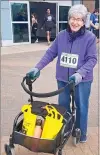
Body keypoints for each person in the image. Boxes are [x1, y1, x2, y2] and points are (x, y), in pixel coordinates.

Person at [26, 4, 97, 143]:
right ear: (68, 19)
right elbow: (50, 53)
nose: (75, 22)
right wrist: (37, 68)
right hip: (63, 78)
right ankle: (66, 129)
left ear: (83, 22)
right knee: (63, 106)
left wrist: (80, 73)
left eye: (79, 19)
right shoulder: (61, 36)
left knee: (81, 107)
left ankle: (81, 133)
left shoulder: (90, 38)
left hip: (81, 80)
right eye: (73, 18)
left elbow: (92, 59)